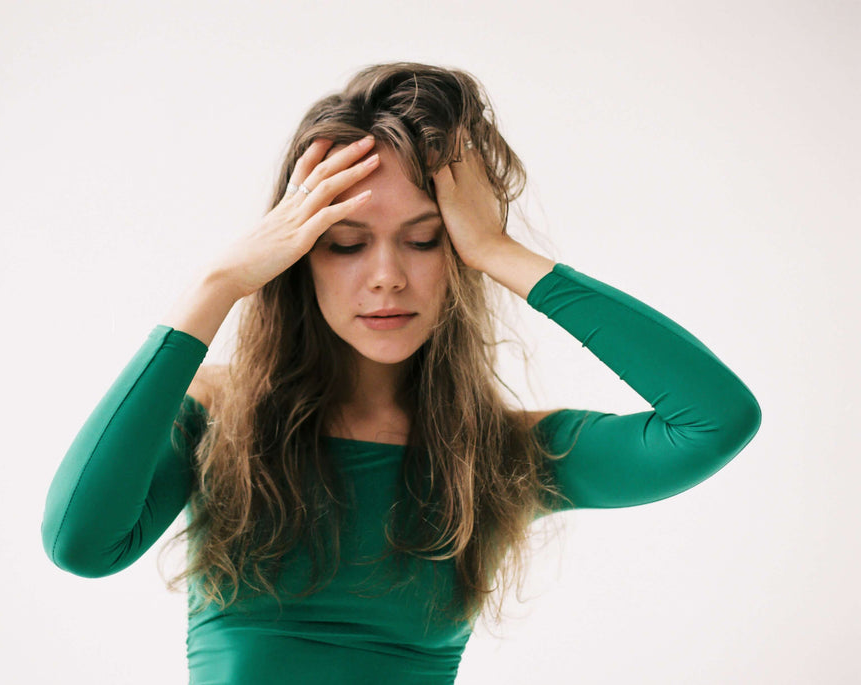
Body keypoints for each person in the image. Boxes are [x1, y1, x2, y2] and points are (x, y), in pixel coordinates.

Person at [41, 62, 761, 684]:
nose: (386, 277)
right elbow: (80, 542)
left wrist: (498, 250)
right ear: (293, 255)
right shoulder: (217, 413)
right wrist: (218, 282)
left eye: (425, 240)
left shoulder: (500, 456)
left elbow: (713, 419)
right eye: (345, 242)